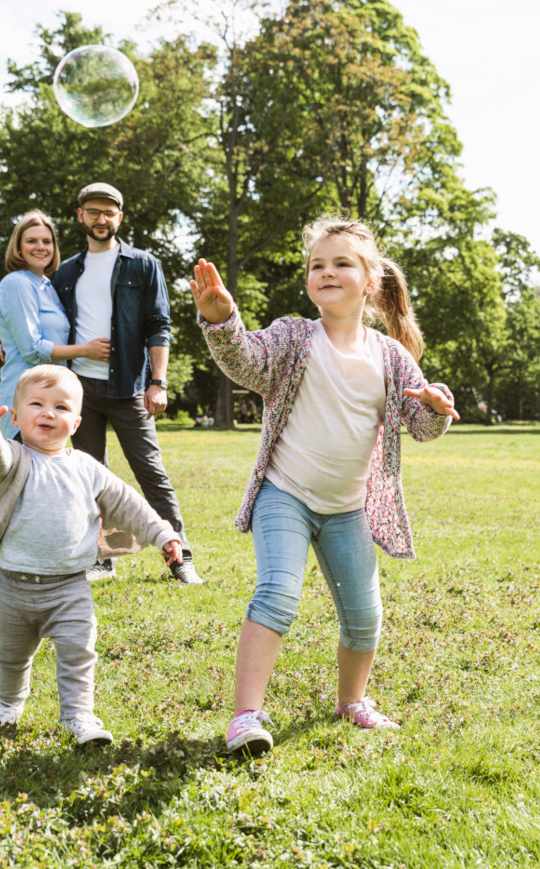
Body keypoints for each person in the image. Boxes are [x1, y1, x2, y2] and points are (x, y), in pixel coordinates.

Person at [190, 217, 459, 755]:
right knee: (278, 593)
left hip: (349, 508)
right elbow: (246, 362)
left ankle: (352, 701)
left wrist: (438, 409)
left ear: (371, 280)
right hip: (284, 493)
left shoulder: (389, 356)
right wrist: (221, 321)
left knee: (363, 616)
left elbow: (421, 427)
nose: (327, 272)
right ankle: (246, 717)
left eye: (341, 264)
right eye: (317, 265)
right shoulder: (293, 336)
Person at [0, 365, 183, 744]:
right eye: (36, 404)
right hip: (14, 587)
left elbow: (128, 503)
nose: (48, 413)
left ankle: (79, 718)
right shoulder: (15, 459)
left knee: (78, 655)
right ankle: (8, 705)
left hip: (70, 589)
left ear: (77, 423)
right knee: (12, 656)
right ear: (15, 416)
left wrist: (164, 532)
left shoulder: (86, 467)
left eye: (61, 407)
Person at [52, 182, 202, 585]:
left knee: (151, 473)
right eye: (94, 211)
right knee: (91, 477)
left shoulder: (142, 264)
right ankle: (102, 558)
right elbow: (48, 323)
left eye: (109, 212)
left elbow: (159, 325)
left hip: (130, 389)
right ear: (80, 215)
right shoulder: (66, 271)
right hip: (79, 392)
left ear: (120, 217)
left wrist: (158, 382)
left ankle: (180, 556)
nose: (102, 219)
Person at [0, 210, 111, 440]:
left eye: (47, 241)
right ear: (18, 247)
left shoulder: (46, 286)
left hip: (50, 401)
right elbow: (32, 349)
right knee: (23, 473)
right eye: (31, 241)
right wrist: (87, 350)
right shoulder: (17, 283)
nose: (40, 247)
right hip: (26, 402)